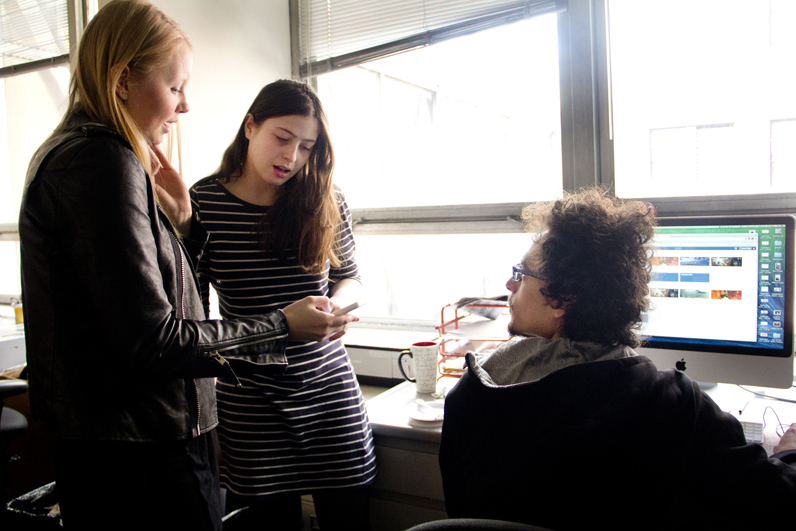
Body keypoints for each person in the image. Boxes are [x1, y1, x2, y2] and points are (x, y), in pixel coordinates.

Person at [18, 2, 354, 530]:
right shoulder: (99, 162)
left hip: (135, 443)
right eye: (176, 87)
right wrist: (283, 326)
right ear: (122, 79)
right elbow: (155, 341)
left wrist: (183, 229)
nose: (185, 105)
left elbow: (151, 304)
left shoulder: (81, 156)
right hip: (143, 451)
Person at [438, 189, 796, 530]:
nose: (509, 285)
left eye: (521, 274)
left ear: (563, 298)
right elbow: (781, 501)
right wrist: (789, 454)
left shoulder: (470, 394)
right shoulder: (673, 406)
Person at [190, 80, 375, 531]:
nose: (292, 158)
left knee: (350, 518)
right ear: (250, 126)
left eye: (307, 146)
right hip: (250, 401)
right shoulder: (203, 204)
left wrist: (335, 306)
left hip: (328, 388)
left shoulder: (324, 199)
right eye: (283, 138)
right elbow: (192, 320)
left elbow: (351, 276)